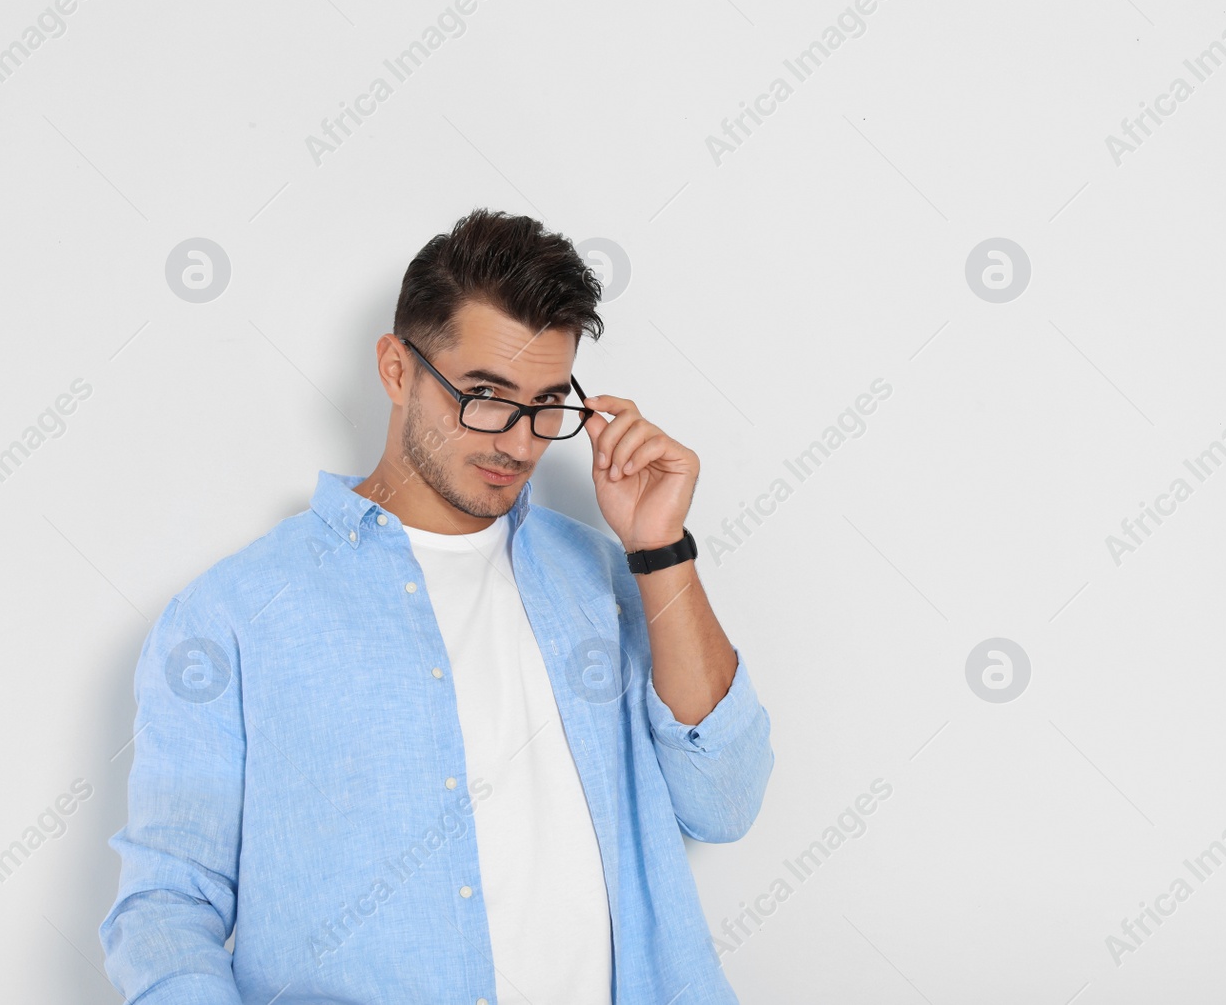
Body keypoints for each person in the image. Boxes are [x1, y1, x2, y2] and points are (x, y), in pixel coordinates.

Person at [99, 209, 775, 1004]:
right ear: (396, 368)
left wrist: (659, 549)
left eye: (546, 404)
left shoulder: (605, 578)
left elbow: (724, 802)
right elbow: (168, 902)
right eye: (485, 396)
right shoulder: (236, 614)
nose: (518, 443)